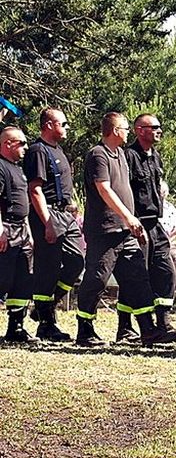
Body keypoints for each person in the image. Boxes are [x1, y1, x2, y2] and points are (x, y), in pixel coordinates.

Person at [75, 112, 176, 348]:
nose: (128, 132)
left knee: (137, 278)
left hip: (127, 231)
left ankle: (148, 330)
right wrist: (128, 216)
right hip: (105, 231)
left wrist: (133, 222)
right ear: (113, 130)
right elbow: (104, 189)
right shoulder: (98, 154)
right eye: (124, 128)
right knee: (97, 279)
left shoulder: (121, 154)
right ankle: (85, 329)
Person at [124, 114, 176, 343]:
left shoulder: (155, 157)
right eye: (154, 127)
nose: (159, 131)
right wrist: (130, 220)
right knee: (138, 277)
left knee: (165, 271)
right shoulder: (128, 156)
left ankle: (164, 322)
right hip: (137, 223)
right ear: (140, 130)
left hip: (155, 223)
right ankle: (140, 328)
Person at [26, 107, 84, 342]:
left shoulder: (58, 150)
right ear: (49, 125)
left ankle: (45, 306)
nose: (67, 127)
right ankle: (46, 323)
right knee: (47, 269)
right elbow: (35, 189)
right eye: (64, 123)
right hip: (48, 214)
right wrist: (47, 222)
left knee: (76, 261)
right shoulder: (38, 151)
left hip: (65, 215)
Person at [0, 126, 37, 343]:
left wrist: (29, 233)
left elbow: (23, 204)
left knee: (23, 280)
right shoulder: (1, 167)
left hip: (22, 231)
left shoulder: (18, 169)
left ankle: (16, 327)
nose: (25, 147)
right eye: (21, 143)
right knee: (3, 279)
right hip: (6, 229)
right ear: (7, 144)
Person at [157, 180, 176, 304]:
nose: (162, 194)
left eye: (163, 192)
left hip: (170, 242)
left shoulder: (170, 208)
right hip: (154, 242)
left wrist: (168, 241)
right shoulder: (150, 206)